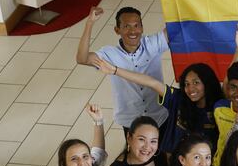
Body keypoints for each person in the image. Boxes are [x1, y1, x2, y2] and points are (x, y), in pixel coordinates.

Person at [91, 58, 222, 155]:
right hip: (171, 163)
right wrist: (114, 70)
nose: (190, 88)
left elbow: (229, 84)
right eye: (186, 84)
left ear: (207, 83)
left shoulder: (218, 108)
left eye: (196, 82)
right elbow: (151, 82)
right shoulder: (177, 99)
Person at [76, 6, 169, 133]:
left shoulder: (153, 44)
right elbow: (82, 59)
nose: (133, 31)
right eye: (126, 26)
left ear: (142, 28)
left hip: (159, 116)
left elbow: (176, 28)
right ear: (117, 30)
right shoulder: (109, 54)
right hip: (130, 120)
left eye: (137, 25)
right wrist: (90, 23)